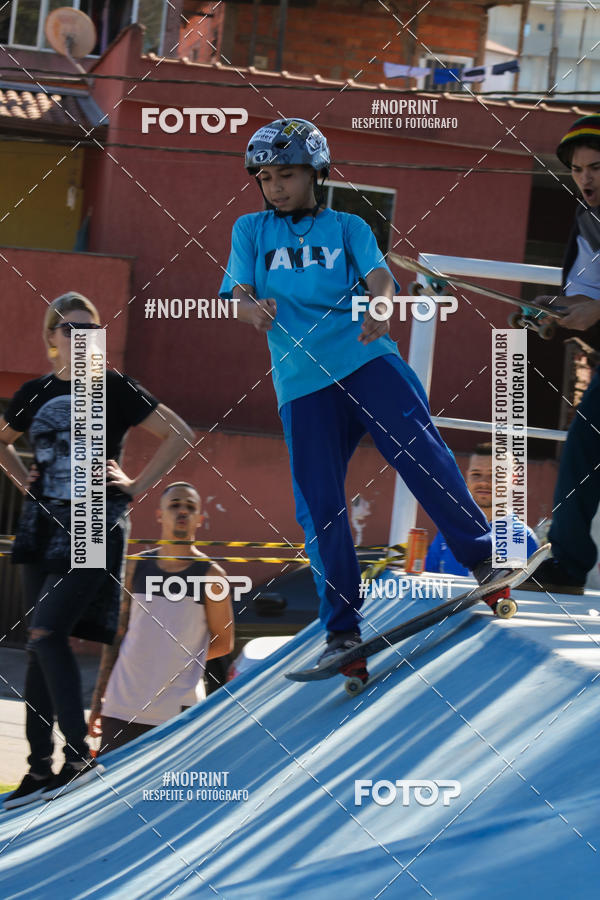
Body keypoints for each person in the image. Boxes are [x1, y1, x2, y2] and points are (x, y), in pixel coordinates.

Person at [219, 118, 521, 669]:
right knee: (320, 503)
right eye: (265, 178)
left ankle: (483, 558)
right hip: (301, 381)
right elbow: (236, 291)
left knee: (421, 450)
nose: (275, 186)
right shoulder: (250, 231)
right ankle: (341, 628)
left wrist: (382, 305)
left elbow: (380, 277)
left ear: (316, 173)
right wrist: (249, 309)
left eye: (286, 174)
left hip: (365, 357)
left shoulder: (349, 226)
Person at [0, 292, 195, 809]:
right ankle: (41, 770)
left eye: (89, 328)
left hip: (94, 521)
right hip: (41, 526)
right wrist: (27, 483)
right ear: (51, 338)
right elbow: (1, 441)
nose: (79, 336)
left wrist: (134, 486)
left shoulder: (114, 387)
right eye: (69, 328)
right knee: (40, 646)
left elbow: (179, 432)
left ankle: (80, 756)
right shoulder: (34, 392)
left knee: (47, 630)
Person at [88, 482, 234, 753]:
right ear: (160, 515)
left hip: (177, 713)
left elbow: (224, 643)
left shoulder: (213, 576)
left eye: (190, 507)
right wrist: (98, 700)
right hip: (121, 708)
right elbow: (116, 636)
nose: (182, 511)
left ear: (200, 519)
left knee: (167, 795)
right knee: (111, 793)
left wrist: (177, 660)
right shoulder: (134, 566)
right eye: (175, 504)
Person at [526, 114, 600, 593]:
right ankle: (568, 567)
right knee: (579, 451)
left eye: (596, 167)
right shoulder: (585, 225)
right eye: (577, 170)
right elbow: (583, 301)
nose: (586, 179)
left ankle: (570, 566)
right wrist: (553, 312)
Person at [426, 443, 539, 575]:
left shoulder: (524, 538)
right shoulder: (449, 530)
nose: (483, 482)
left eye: (495, 475)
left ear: (513, 480)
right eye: (476, 474)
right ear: (467, 477)